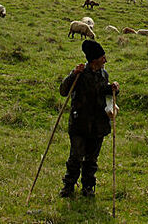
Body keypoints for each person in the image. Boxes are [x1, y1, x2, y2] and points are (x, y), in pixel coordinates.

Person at [59, 40, 119, 198]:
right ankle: (69, 186)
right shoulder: (80, 74)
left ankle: (88, 187)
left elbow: (101, 91)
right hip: (80, 123)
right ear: (94, 60)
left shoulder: (103, 74)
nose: (105, 60)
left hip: (98, 124)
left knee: (92, 159)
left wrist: (112, 89)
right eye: (102, 57)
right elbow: (63, 91)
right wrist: (73, 74)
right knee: (76, 156)